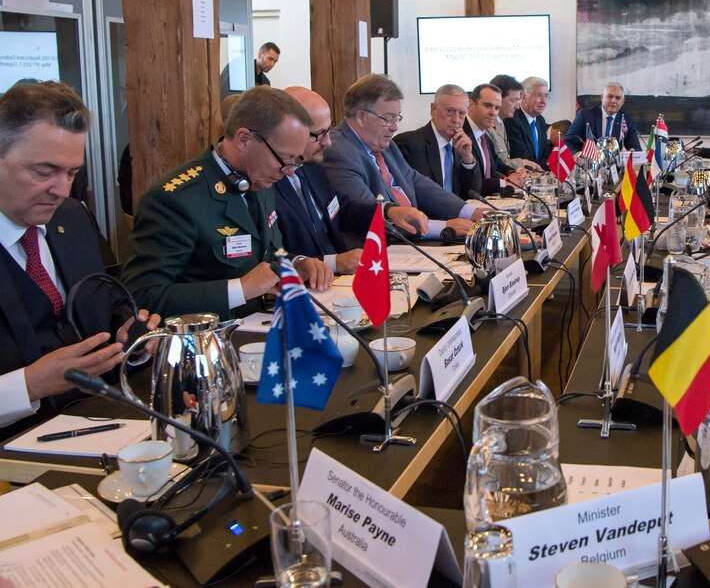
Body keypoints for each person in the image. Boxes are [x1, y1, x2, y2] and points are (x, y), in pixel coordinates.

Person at [0, 82, 158, 438]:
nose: (62, 190)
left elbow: (106, 299)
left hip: (105, 423)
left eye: (72, 173)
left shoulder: (71, 217)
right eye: (44, 172)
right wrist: (28, 386)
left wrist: (131, 336)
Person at [124, 86, 332, 320]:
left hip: (261, 325)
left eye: (296, 161)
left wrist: (296, 262)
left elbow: (271, 249)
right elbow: (143, 296)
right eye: (285, 160)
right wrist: (240, 289)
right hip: (209, 340)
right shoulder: (175, 200)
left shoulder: (261, 178)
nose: (290, 172)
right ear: (244, 140)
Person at [274, 87, 427, 274]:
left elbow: (341, 209)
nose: (328, 142)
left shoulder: (311, 165)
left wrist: (388, 211)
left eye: (328, 131)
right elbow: (274, 257)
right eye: (319, 134)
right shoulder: (269, 178)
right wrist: (332, 262)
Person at [322, 74, 487, 241]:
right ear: (361, 117)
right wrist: (443, 227)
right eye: (388, 119)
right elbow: (373, 214)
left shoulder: (385, 145)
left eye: (397, 118)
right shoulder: (338, 152)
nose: (394, 127)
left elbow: (415, 181)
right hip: (382, 250)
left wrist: (470, 212)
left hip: (412, 242)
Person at [393, 84, 482, 200]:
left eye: (461, 114)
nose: (456, 120)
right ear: (433, 110)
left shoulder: (461, 146)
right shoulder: (408, 144)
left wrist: (468, 158)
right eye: (450, 111)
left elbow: (473, 194)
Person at [465, 83, 528, 195]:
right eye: (487, 105)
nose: (493, 112)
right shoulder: (462, 133)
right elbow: (471, 183)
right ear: (471, 104)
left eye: (497, 108)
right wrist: (504, 183)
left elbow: (497, 165)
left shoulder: (483, 135)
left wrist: (515, 173)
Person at [564, 82, 641, 152]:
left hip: (615, 166)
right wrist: (576, 154)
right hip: (588, 164)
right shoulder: (585, 115)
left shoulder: (627, 122)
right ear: (602, 98)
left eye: (618, 98)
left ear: (623, 101)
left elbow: (636, 149)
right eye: (610, 97)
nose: (613, 101)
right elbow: (568, 140)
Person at [488, 75, 542, 172]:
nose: (517, 107)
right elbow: (493, 163)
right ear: (498, 99)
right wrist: (522, 162)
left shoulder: (501, 123)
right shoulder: (487, 126)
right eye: (514, 100)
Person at [504, 76, 553, 169]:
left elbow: (544, 154)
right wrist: (553, 164)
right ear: (523, 97)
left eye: (546, 96)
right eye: (539, 95)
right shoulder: (512, 120)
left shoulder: (540, 120)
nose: (543, 101)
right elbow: (524, 159)